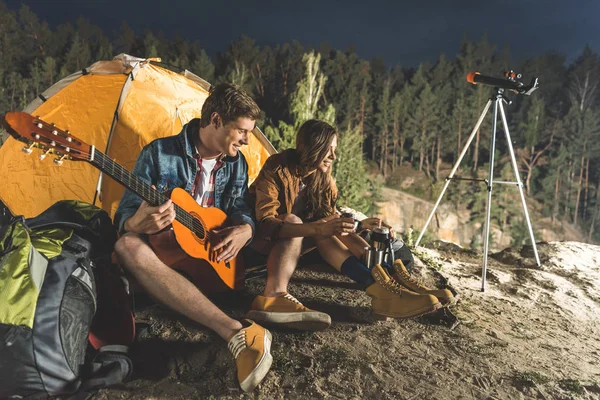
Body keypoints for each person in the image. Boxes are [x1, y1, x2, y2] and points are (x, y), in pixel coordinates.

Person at [114, 83, 271, 392]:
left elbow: (239, 205)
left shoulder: (236, 162)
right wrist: (136, 222)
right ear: (215, 120)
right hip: (168, 256)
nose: (248, 141)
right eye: (242, 131)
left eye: (250, 133)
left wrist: (246, 228)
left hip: (212, 262)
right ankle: (236, 331)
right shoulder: (159, 153)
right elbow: (126, 216)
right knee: (125, 245)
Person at [246, 119, 454, 327]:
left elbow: (329, 218)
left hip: (297, 245)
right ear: (311, 146)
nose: (333, 156)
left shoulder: (321, 177)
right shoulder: (278, 167)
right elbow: (267, 224)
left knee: (332, 227)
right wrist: (320, 227)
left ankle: (391, 286)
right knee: (310, 225)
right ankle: (274, 297)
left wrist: (360, 225)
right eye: (328, 150)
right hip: (264, 243)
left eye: (334, 150)